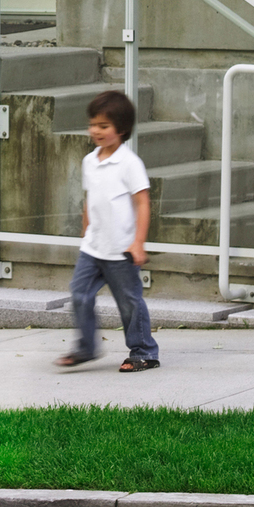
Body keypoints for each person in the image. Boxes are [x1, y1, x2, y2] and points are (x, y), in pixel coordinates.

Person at [53, 90, 159, 372]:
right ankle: (86, 348)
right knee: (79, 294)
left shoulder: (129, 163)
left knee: (129, 303)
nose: (95, 131)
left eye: (103, 126)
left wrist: (138, 243)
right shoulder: (90, 161)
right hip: (93, 247)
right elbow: (91, 198)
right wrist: (86, 228)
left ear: (121, 129)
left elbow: (143, 203)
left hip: (121, 249)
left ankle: (144, 352)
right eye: (92, 124)